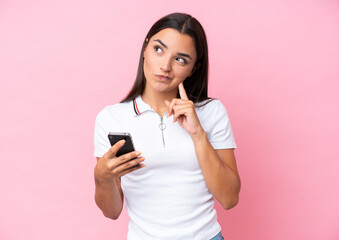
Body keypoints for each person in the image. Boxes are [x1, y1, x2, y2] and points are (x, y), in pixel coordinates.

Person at [93, 12, 241, 240]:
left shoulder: (211, 112)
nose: (165, 66)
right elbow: (112, 212)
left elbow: (230, 198)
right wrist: (101, 177)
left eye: (180, 59)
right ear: (145, 49)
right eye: (158, 49)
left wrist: (198, 134)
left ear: (193, 68)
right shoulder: (112, 118)